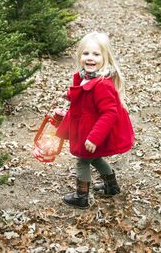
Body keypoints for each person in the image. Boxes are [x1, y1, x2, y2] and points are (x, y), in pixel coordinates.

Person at [56, 32, 135, 209]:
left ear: (105, 58)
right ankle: (111, 186)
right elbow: (85, 94)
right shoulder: (86, 77)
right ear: (79, 56)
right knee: (96, 158)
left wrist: (94, 138)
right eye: (86, 54)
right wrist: (70, 95)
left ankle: (81, 196)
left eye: (96, 54)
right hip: (86, 126)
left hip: (93, 131)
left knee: (83, 160)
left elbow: (109, 114)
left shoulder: (102, 85)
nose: (90, 58)